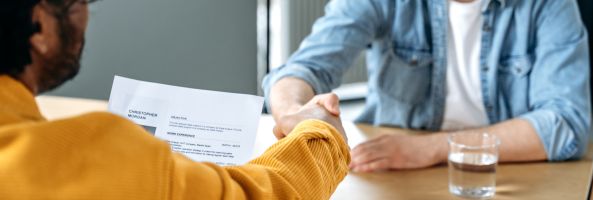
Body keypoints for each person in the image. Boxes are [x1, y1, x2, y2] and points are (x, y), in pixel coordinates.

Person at [0, 0, 349, 199]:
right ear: (40, 27)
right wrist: (322, 134)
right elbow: (263, 195)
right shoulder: (93, 160)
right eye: (81, 2)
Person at [264, 0, 591, 172]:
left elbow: (565, 124)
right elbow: (305, 67)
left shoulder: (551, 4)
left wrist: (431, 149)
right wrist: (293, 111)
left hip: (505, 172)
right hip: (394, 171)